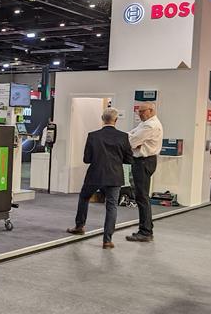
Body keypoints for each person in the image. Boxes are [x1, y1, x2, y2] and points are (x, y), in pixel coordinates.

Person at [66, 108, 134, 249]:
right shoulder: (123, 137)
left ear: (103, 119)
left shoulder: (93, 136)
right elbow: (129, 159)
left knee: (84, 197)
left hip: (95, 174)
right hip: (114, 176)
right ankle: (107, 240)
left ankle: (80, 226)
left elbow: (87, 159)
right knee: (111, 206)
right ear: (116, 120)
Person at [126, 102, 164, 242]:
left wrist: (135, 142)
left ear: (151, 110)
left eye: (142, 111)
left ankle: (146, 231)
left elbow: (131, 142)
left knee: (142, 197)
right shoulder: (145, 124)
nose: (139, 114)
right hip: (143, 161)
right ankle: (146, 228)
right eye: (138, 111)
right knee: (141, 196)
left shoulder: (150, 126)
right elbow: (130, 135)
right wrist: (135, 141)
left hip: (144, 161)